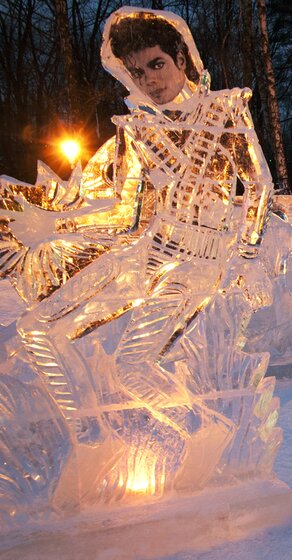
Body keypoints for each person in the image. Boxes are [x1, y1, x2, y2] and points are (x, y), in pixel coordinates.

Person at [16, 7, 273, 503]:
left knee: (132, 367)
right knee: (38, 329)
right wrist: (54, 225)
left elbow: (258, 186)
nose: (149, 80)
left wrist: (246, 256)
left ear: (181, 59)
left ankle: (202, 428)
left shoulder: (224, 112)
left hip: (199, 260)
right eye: (137, 71)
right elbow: (124, 214)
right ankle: (92, 437)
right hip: (147, 251)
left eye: (157, 64)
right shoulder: (136, 129)